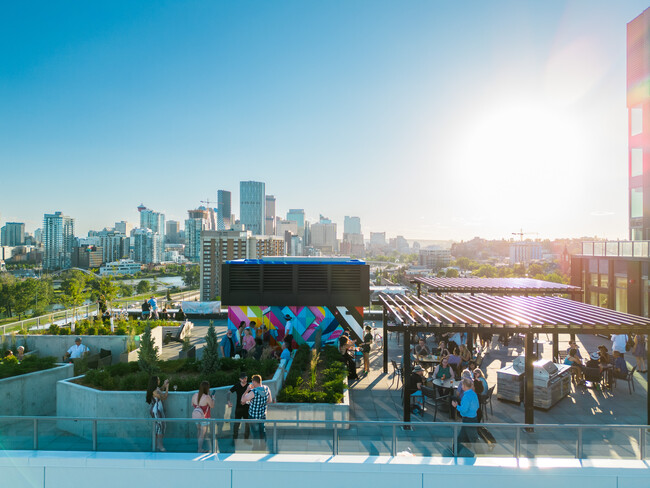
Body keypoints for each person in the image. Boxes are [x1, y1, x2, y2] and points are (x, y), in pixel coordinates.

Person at [242, 374, 273, 447]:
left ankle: (256, 448)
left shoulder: (254, 392)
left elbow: (243, 400)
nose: (252, 384)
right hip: (262, 415)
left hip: (253, 416)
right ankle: (263, 446)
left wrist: (247, 390)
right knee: (262, 431)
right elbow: (270, 400)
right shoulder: (266, 388)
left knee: (255, 433)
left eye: (252, 382)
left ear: (255, 382)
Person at [451, 378, 480, 447]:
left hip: (467, 419)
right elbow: (477, 406)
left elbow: (464, 410)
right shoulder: (474, 394)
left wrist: (456, 406)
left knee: (471, 439)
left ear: (464, 386)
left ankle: (455, 451)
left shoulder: (466, 396)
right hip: (474, 418)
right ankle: (455, 450)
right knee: (464, 437)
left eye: (462, 385)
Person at [146, 376, 169, 451]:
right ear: (155, 381)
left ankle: (155, 445)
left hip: (158, 409)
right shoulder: (154, 391)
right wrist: (167, 388)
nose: (159, 380)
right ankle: (160, 446)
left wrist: (164, 385)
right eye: (158, 380)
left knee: (158, 427)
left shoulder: (156, 389)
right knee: (160, 427)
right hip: (157, 410)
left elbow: (160, 389)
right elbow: (164, 397)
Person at [191, 381, 215, 452]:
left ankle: (199, 446)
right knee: (202, 434)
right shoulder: (207, 397)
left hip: (196, 417)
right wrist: (213, 398)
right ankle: (200, 449)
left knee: (198, 431)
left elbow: (192, 404)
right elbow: (212, 406)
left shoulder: (195, 395)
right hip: (205, 418)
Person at [228, 373, 251, 440]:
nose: (245, 379)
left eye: (246, 378)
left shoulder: (249, 386)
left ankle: (246, 439)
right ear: (240, 379)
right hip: (238, 408)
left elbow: (252, 396)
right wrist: (228, 401)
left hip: (247, 408)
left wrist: (248, 401)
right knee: (236, 425)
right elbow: (228, 392)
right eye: (243, 378)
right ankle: (234, 439)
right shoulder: (237, 385)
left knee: (247, 424)